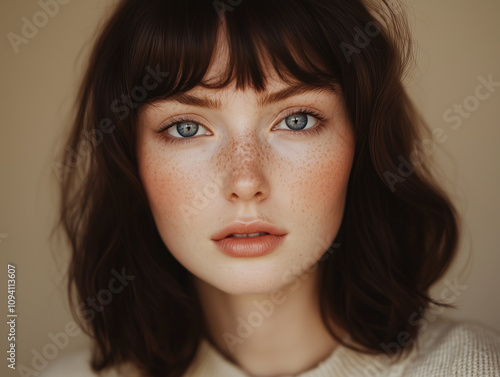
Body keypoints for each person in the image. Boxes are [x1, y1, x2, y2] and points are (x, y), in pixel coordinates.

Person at [45, 0, 500, 376]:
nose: (245, 182)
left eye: (296, 120)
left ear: (360, 145)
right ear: (130, 160)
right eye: (186, 127)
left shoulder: (466, 366)